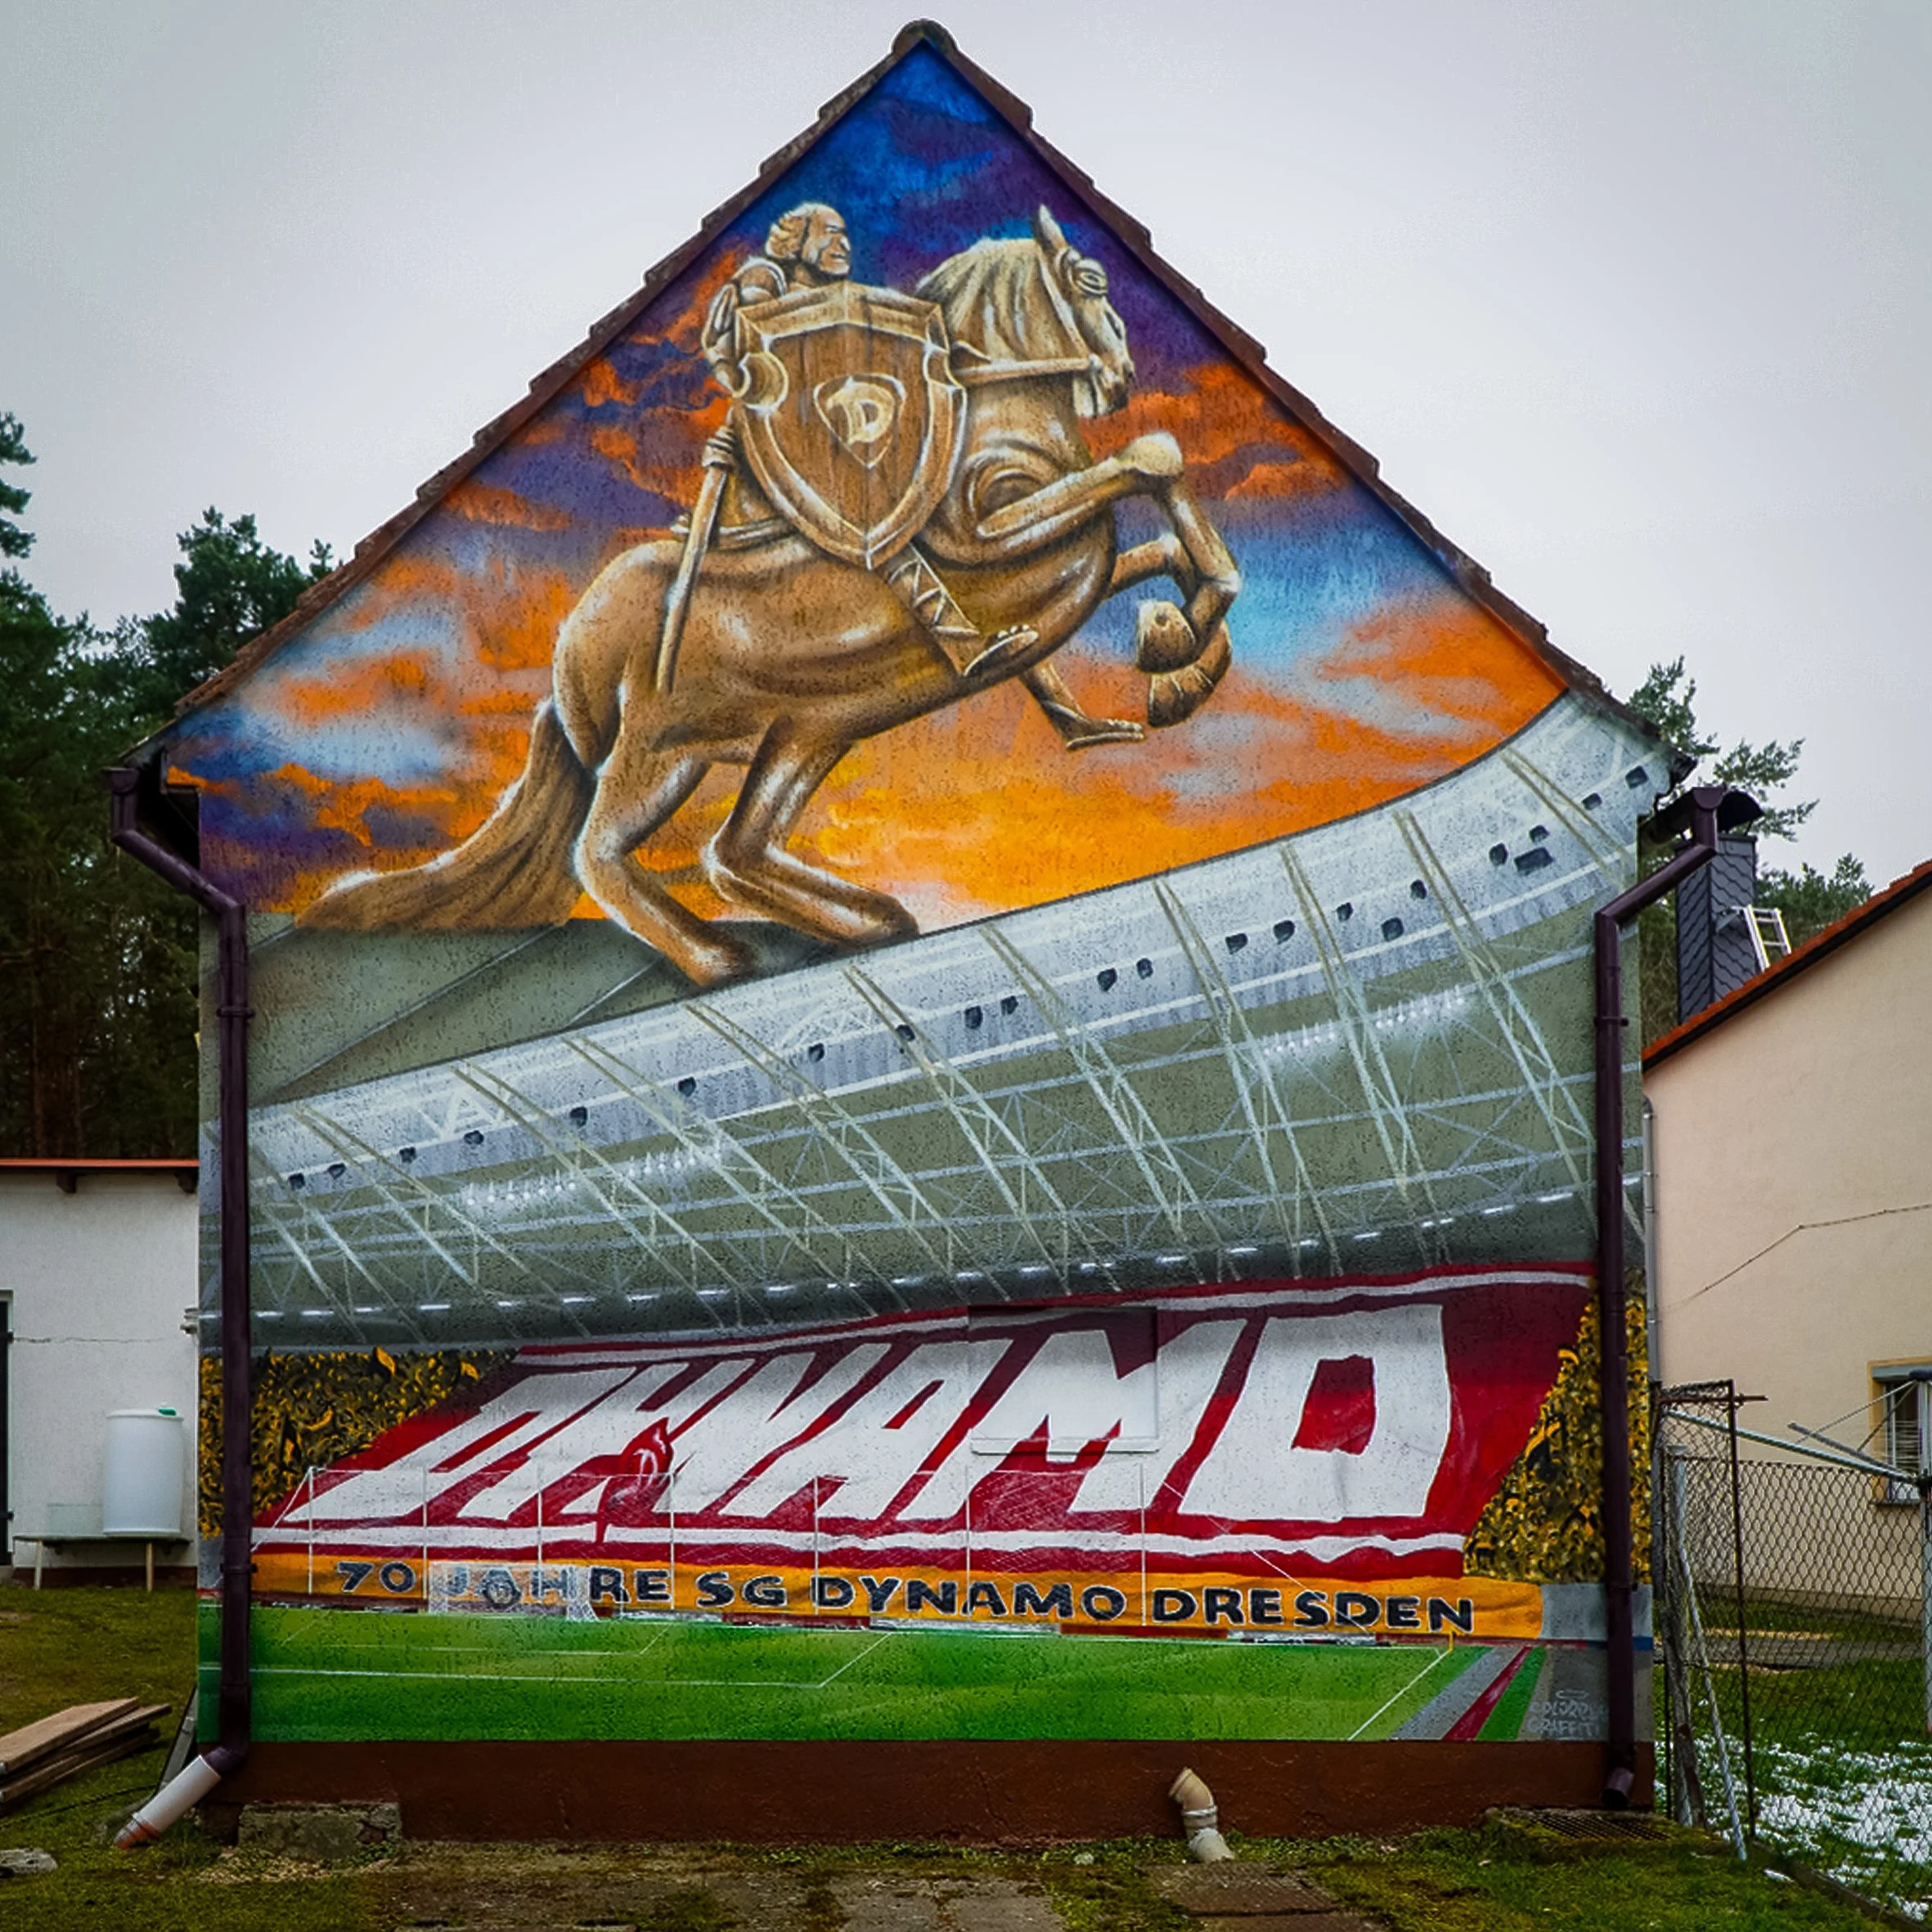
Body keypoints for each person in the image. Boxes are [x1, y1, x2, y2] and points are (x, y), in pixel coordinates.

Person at [703, 202, 851, 382]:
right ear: (796, 238)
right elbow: (756, 344)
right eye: (831, 233)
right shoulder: (763, 276)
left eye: (843, 236)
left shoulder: (840, 301)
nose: (845, 245)